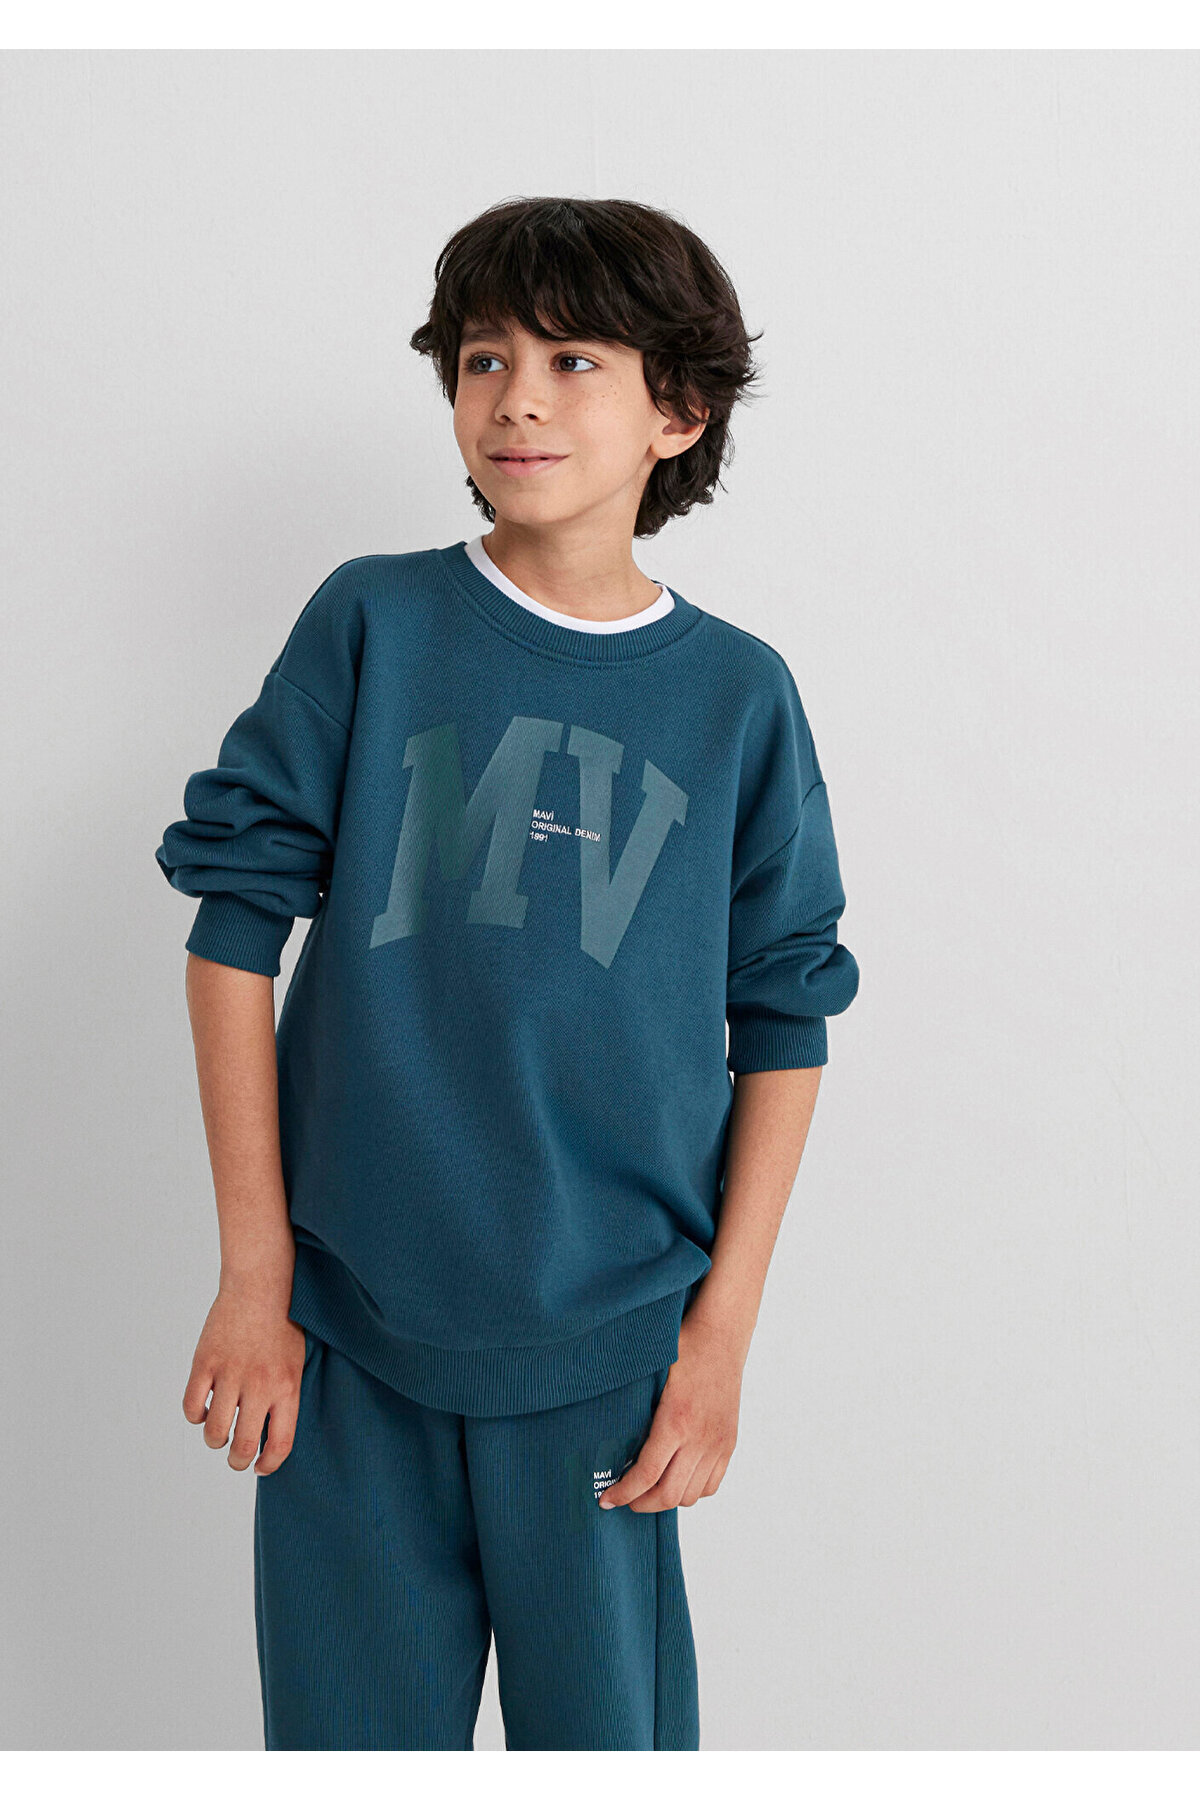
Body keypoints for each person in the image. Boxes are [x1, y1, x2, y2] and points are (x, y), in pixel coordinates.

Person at [154, 194, 861, 1752]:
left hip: (610, 1349)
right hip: (348, 1332)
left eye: (572, 360)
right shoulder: (375, 621)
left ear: (679, 412)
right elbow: (231, 929)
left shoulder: (738, 698)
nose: (517, 398)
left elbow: (786, 1015)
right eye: (485, 359)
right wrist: (257, 1278)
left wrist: (720, 1341)